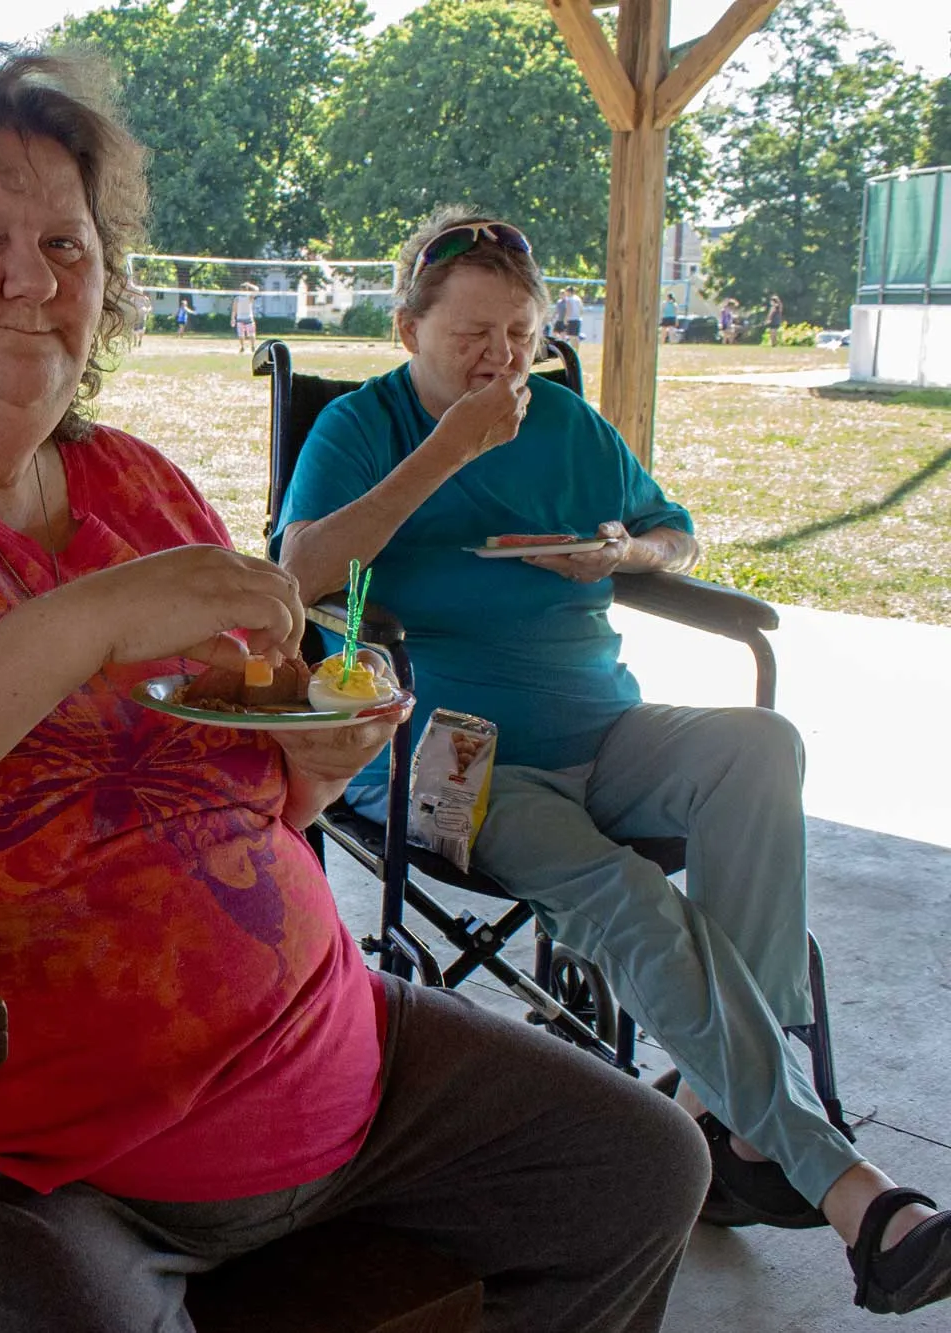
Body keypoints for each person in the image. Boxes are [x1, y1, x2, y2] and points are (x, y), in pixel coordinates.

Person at [0, 45, 708, 1333]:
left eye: (67, 248)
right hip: (17, 1154)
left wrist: (309, 761)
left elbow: (247, 777)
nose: (33, 281)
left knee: (638, 1168)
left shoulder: (139, 485)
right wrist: (79, 623)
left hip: (325, 1053)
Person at [278, 203, 951, 1318]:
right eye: (468, 336)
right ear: (406, 328)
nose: (498, 360)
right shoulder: (363, 426)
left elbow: (669, 527)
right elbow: (298, 573)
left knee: (757, 744)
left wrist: (619, 553)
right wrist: (446, 452)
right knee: (630, 901)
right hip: (457, 759)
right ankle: (849, 1191)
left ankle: (725, 1108)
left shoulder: (563, 423)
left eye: (517, 335)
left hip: (606, 729)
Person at [231, 281, 258, 353]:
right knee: (250, 333)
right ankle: (251, 347)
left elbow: (234, 310)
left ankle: (243, 347)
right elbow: (256, 289)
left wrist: (233, 318)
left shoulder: (243, 297)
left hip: (242, 318)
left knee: (242, 334)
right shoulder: (248, 297)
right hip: (247, 318)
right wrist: (250, 285)